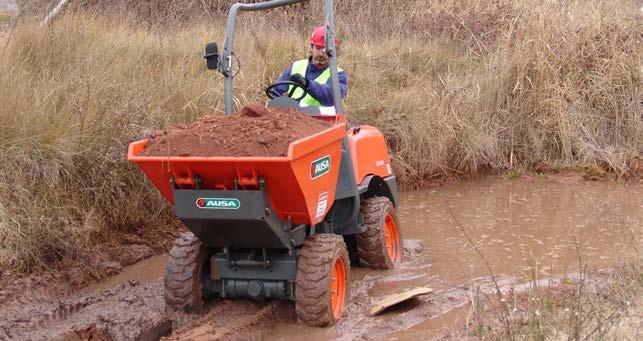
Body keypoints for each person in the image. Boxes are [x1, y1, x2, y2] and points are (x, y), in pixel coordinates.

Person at [273, 26, 348, 108]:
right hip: (291, 117)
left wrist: (307, 84)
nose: (320, 54)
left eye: (324, 50)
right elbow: (276, 92)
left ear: (331, 51)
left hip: (321, 118)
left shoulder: (338, 74)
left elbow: (331, 97)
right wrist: (283, 100)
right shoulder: (296, 66)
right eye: (318, 48)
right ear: (312, 47)